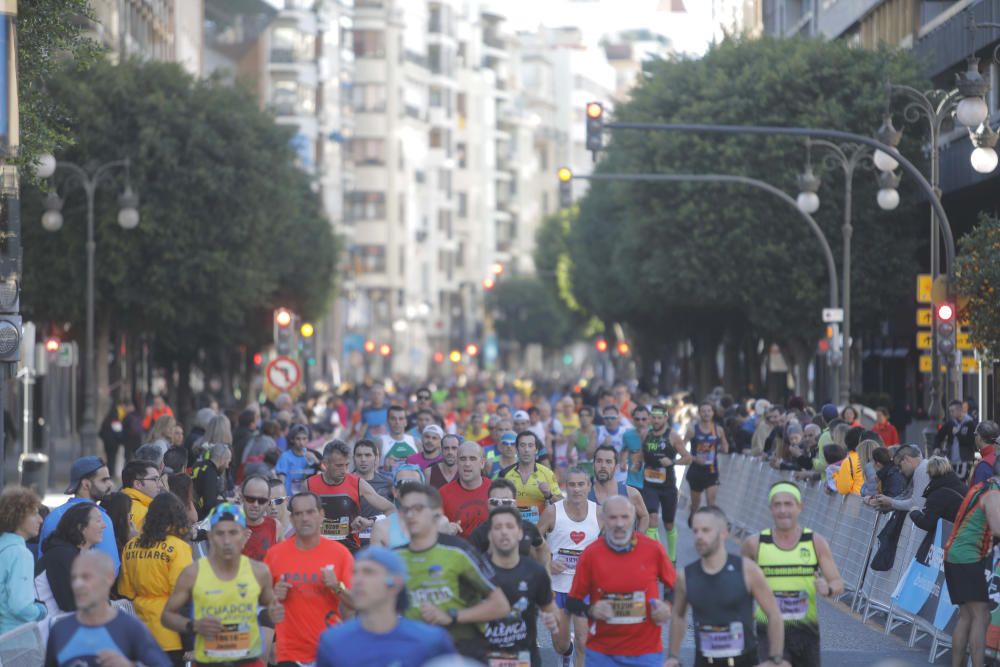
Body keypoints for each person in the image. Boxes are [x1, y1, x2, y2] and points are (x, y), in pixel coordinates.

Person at [395, 483, 511, 660]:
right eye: (405, 509)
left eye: (418, 508)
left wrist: (452, 616)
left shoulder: (460, 552)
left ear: (437, 512)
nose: (410, 515)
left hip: (461, 650)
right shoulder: (395, 557)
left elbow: (500, 605)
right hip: (415, 652)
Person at [162, 503, 284, 667]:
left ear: (243, 535)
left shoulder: (259, 572)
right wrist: (193, 625)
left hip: (247, 661)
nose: (227, 541)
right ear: (211, 536)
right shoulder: (193, 573)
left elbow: (271, 611)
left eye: (233, 533)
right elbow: (167, 616)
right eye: (220, 533)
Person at [666, 506, 788, 667]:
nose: (699, 536)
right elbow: (678, 616)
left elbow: (774, 614)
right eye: (695, 531)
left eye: (706, 530)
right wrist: (673, 656)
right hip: (704, 662)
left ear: (724, 532)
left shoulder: (747, 570)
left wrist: (775, 659)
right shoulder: (685, 576)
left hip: (744, 661)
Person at [741, 482, 844, 667]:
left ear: (799, 507)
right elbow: (740, 586)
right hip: (768, 629)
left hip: (805, 631)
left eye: (788, 504)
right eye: (777, 504)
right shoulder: (754, 544)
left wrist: (827, 588)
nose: (783, 510)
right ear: (770, 509)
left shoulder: (815, 542)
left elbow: (837, 582)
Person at [565, 496, 674, 667]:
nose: (619, 523)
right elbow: (572, 602)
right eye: (613, 517)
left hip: (646, 651)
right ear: (603, 519)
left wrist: (667, 607)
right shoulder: (591, 554)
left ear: (633, 518)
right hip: (602, 653)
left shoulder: (653, 549)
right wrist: (591, 610)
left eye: (625, 517)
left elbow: (674, 587)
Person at [314, 546, 456, 667]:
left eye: (369, 572)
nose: (358, 580)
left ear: (395, 584)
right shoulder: (333, 642)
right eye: (355, 573)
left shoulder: (430, 641)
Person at [264, 491, 355, 666]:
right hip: (289, 653)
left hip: (328, 652)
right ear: (291, 520)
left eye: (310, 512)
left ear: (321, 515)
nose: (305, 518)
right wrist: (274, 597)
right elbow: (264, 606)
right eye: (298, 514)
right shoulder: (275, 555)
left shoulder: (340, 554)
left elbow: (356, 604)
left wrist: (337, 586)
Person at [45, 551, 170, 667]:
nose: (78, 584)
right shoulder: (60, 630)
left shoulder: (130, 628)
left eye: (86, 577)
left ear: (109, 578)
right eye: (74, 578)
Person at [485, 506, 569, 667]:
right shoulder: (475, 570)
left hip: (525, 658)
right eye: (498, 527)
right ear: (489, 533)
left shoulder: (535, 573)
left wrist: (557, 622)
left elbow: (554, 617)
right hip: (487, 657)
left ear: (520, 533)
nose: (504, 532)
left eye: (510, 527)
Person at [118, 492, 194, 663]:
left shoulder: (131, 546)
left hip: (140, 632)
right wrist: (189, 642)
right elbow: (183, 597)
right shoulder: (178, 547)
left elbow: (126, 591)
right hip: (170, 636)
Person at [539, 467, 601, 667]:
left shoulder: (598, 512)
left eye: (581, 484)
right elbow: (534, 540)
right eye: (572, 485)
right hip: (557, 587)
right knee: (560, 643)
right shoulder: (552, 512)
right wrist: (548, 561)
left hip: (584, 588)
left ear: (589, 486)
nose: (576, 489)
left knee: (584, 642)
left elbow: (609, 546)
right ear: (565, 487)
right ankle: (566, 653)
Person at [944, 455, 1000, 667]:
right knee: (981, 615)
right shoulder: (994, 493)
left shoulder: (983, 486)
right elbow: (997, 528)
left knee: (967, 616)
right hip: (966, 555)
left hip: (957, 554)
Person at [307, 439, 396, 552]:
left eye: (347, 465)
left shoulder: (357, 483)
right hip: (319, 549)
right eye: (339, 465)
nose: (344, 470)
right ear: (325, 464)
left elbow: (392, 509)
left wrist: (371, 521)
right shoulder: (309, 485)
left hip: (350, 550)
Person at [40, 455, 119, 573]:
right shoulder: (100, 518)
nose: (110, 485)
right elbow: (111, 569)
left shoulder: (53, 516)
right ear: (86, 484)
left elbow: (41, 562)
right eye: (104, 480)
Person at [36, 503, 107, 614]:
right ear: (80, 527)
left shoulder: (73, 554)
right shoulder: (61, 555)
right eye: (98, 521)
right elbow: (71, 605)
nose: (104, 525)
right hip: (45, 628)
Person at [640, 404, 690, 556]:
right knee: (652, 519)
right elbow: (643, 455)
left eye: (659, 418)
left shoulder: (672, 435)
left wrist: (672, 462)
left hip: (668, 486)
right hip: (649, 485)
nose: (655, 421)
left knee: (669, 524)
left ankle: (672, 557)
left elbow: (688, 458)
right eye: (653, 417)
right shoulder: (645, 434)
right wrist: (635, 463)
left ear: (666, 419)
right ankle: (655, 557)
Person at [0, 486, 47, 634]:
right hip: (13, 638)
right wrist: (41, 611)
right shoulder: (20, 554)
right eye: (34, 514)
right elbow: (20, 606)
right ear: (18, 516)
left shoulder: (4, 547)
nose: (40, 520)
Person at [468, 479, 547, 563]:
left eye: (506, 502)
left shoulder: (528, 528)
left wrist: (546, 572)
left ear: (515, 504)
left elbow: (542, 548)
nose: (501, 506)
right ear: (488, 505)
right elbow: (469, 565)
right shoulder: (479, 533)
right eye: (494, 502)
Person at [498, 431, 563, 525]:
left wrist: (549, 495)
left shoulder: (547, 473)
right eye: (522, 445)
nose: (526, 450)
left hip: (540, 529)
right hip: (513, 528)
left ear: (536, 450)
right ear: (517, 449)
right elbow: (496, 503)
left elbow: (561, 504)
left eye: (530, 445)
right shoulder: (504, 474)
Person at [910, 457, 967, 563]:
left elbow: (927, 523)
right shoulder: (964, 488)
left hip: (939, 545)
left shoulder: (937, 494)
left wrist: (914, 512)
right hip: (961, 545)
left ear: (930, 473)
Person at [685, 401, 730, 521]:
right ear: (699, 413)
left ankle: (710, 524)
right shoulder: (692, 430)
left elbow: (725, 445)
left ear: (713, 413)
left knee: (711, 502)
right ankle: (693, 513)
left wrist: (724, 448)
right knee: (696, 504)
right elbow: (682, 448)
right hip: (696, 471)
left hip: (711, 470)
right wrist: (694, 458)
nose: (706, 414)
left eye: (709, 411)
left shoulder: (718, 430)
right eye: (703, 411)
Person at [588, 445, 650, 532]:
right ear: (593, 465)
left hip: (624, 544)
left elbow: (644, 516)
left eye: (608, 462)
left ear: (616, 467)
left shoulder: (631, 493)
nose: (603, 466)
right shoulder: (584, 496)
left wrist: (637, 539)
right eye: (599, 461)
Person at [440, 441, 490, 538]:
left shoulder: (495, 489)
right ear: (457, 462)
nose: (467, 464)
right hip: (457, 551)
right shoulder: (443, 494)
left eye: (472, 459)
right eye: (463, 459)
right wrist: (444, 530)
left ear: (482, 463)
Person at [370, 465, 429, 548]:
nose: (409, 491)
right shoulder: (381, 528)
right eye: (403, 485)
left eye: (414, 485)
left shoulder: (437, 524)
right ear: (395, 492)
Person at [870, 445, 930, 512]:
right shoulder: (922, 468)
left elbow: (916, 504)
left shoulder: (921, 469)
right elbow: (908, 498)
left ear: (907, 459)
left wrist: (891, 502)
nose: (900, 471)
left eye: (899, 466)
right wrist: (890, 506)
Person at [240, 475, 280, 561]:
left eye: (261, 501)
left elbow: (284, 560)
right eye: (250, 499)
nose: (255, 505)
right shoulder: (229, 527)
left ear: (268, 502)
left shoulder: (275, 526)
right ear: (242, 498)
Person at [936, 399, 977, 480]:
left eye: (952, 411)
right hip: (951, 460)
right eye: (950, 411)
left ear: (960, 410)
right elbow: (939, 436)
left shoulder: (970, 423)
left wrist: (958, 433)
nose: (950, 413)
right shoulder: (950, 423)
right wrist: (937, 447)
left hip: (965, 460)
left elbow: (970, 441)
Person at [275, 424, 319, 496]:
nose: (301, 442)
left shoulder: (312, 455)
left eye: (304, 439)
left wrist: (316, 460)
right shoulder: (285, 457)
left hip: (307, 498)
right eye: (298, 439)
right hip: (290, 498)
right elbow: (281, 480)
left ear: (308, 439)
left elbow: (325, 471)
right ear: (292, 439)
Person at [191, 443, 233, 519]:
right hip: (198, 517)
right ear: (222, 459)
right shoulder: (210, 472)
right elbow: (209, 504)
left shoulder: (199, 465)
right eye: (228, 462)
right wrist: (226, 503)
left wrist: (224, 499)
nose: (227, 466)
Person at [121, 459, 164, 532]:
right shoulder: (146, 515)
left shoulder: (118, 504)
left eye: (159, 479)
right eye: (155, 479)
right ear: (137, 484)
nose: (161, 485)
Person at [354, 439, 393, 516]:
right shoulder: (345, 481)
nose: (363, 459)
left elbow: (393, 512)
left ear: (376, 458)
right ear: (353, 458)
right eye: (359, 455)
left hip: (379, 527)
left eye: (368, 455)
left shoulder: (387, 483)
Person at [100, 491, 137, 565]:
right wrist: (134, 541)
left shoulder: (98, 534)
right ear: (123, 516)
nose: (130, 518)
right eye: (129, 513)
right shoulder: (120, 544)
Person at [381, 405, 419, 470]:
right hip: (387, 479)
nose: (397, 422)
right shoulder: (379, 442)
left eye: (401, 419)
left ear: (406, 422)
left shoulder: (416, 442)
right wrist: (385, 467)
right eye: (393, 418)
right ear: (387, 421)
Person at [833, 427, 865, 496]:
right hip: (870, 502)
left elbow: (843, 489)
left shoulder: (849, 461)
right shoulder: (870, 458)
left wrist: (835, 474)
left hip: (853, 502)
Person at [970, 421, 1000, 487]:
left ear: (979, 438)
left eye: (975, 434)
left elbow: (980, 495)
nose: (974, 437)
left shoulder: (984, 465)